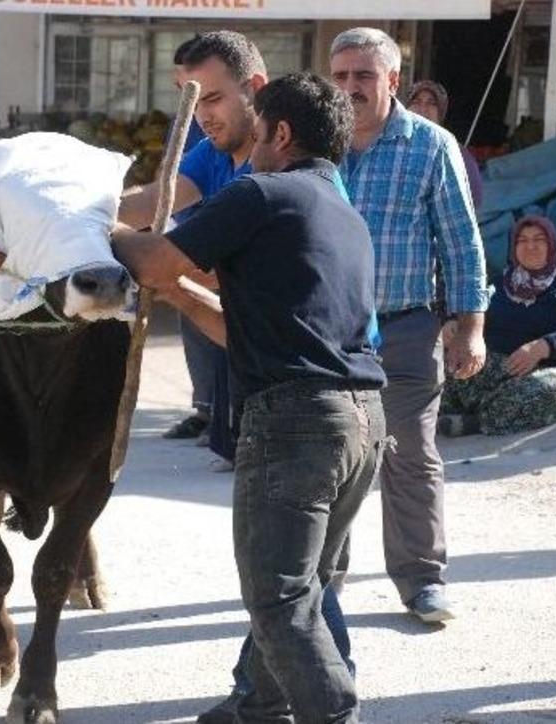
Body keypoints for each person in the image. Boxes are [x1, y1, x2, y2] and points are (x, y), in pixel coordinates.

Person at [114, 71, 387, 724]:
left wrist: (93, 223)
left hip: (294, 422)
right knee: (307, 587)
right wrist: (181, 291)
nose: (250, 142)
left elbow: (150, 260)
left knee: (280, 600)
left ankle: (332, 715)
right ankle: (257, 710)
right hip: (360, 423)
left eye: (258, 127)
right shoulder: (338, 214)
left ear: (281, 133)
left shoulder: (259, 195)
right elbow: (240, 325)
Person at [331, 28, 489, 624]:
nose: (350, 88)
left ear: (392, 80)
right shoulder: (320, 145)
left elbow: (462, 245)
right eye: (341, 76)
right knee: (330, 458)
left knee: (409, 456)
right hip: (329, 333)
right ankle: (323, 582)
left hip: (405, 330)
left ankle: (423, 581)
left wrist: (469, 327)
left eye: (363, 76)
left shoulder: (431, 145)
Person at [121, 31, 259, 472]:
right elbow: (155, 200)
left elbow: (210, 270)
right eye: (192, 101)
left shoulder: (280, 164)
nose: (202, 116)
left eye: (212, 98)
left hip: (292, 359)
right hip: (244, 339)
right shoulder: (211, 151)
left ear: (255, 87)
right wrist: (78, 210)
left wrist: (133, 253)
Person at [439, 215, 556, 435]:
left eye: (539, 239)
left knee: (542, 392)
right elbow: (468, 317)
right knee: (447, 372)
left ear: (551, 244)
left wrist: (541, 347)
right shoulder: (498, 285)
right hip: (505, 368)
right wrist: (455, 326)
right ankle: (470, 408)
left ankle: (476, 422)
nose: (530, 246)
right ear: (513, 247)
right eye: (522, 240)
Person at [164, 33, 214, 444]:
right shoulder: (185, 120)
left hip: (219, 234)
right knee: (193, 317)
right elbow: (171, 184)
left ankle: (227, 416)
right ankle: (206, 408)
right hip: (190, 232)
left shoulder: (219, 122)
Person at [406, 80, 483, 210]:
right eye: (416, 102)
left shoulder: (455, 152)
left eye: (432, 103)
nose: (423, 109)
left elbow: (475, 196)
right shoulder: (394, 146)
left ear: (440, 112)